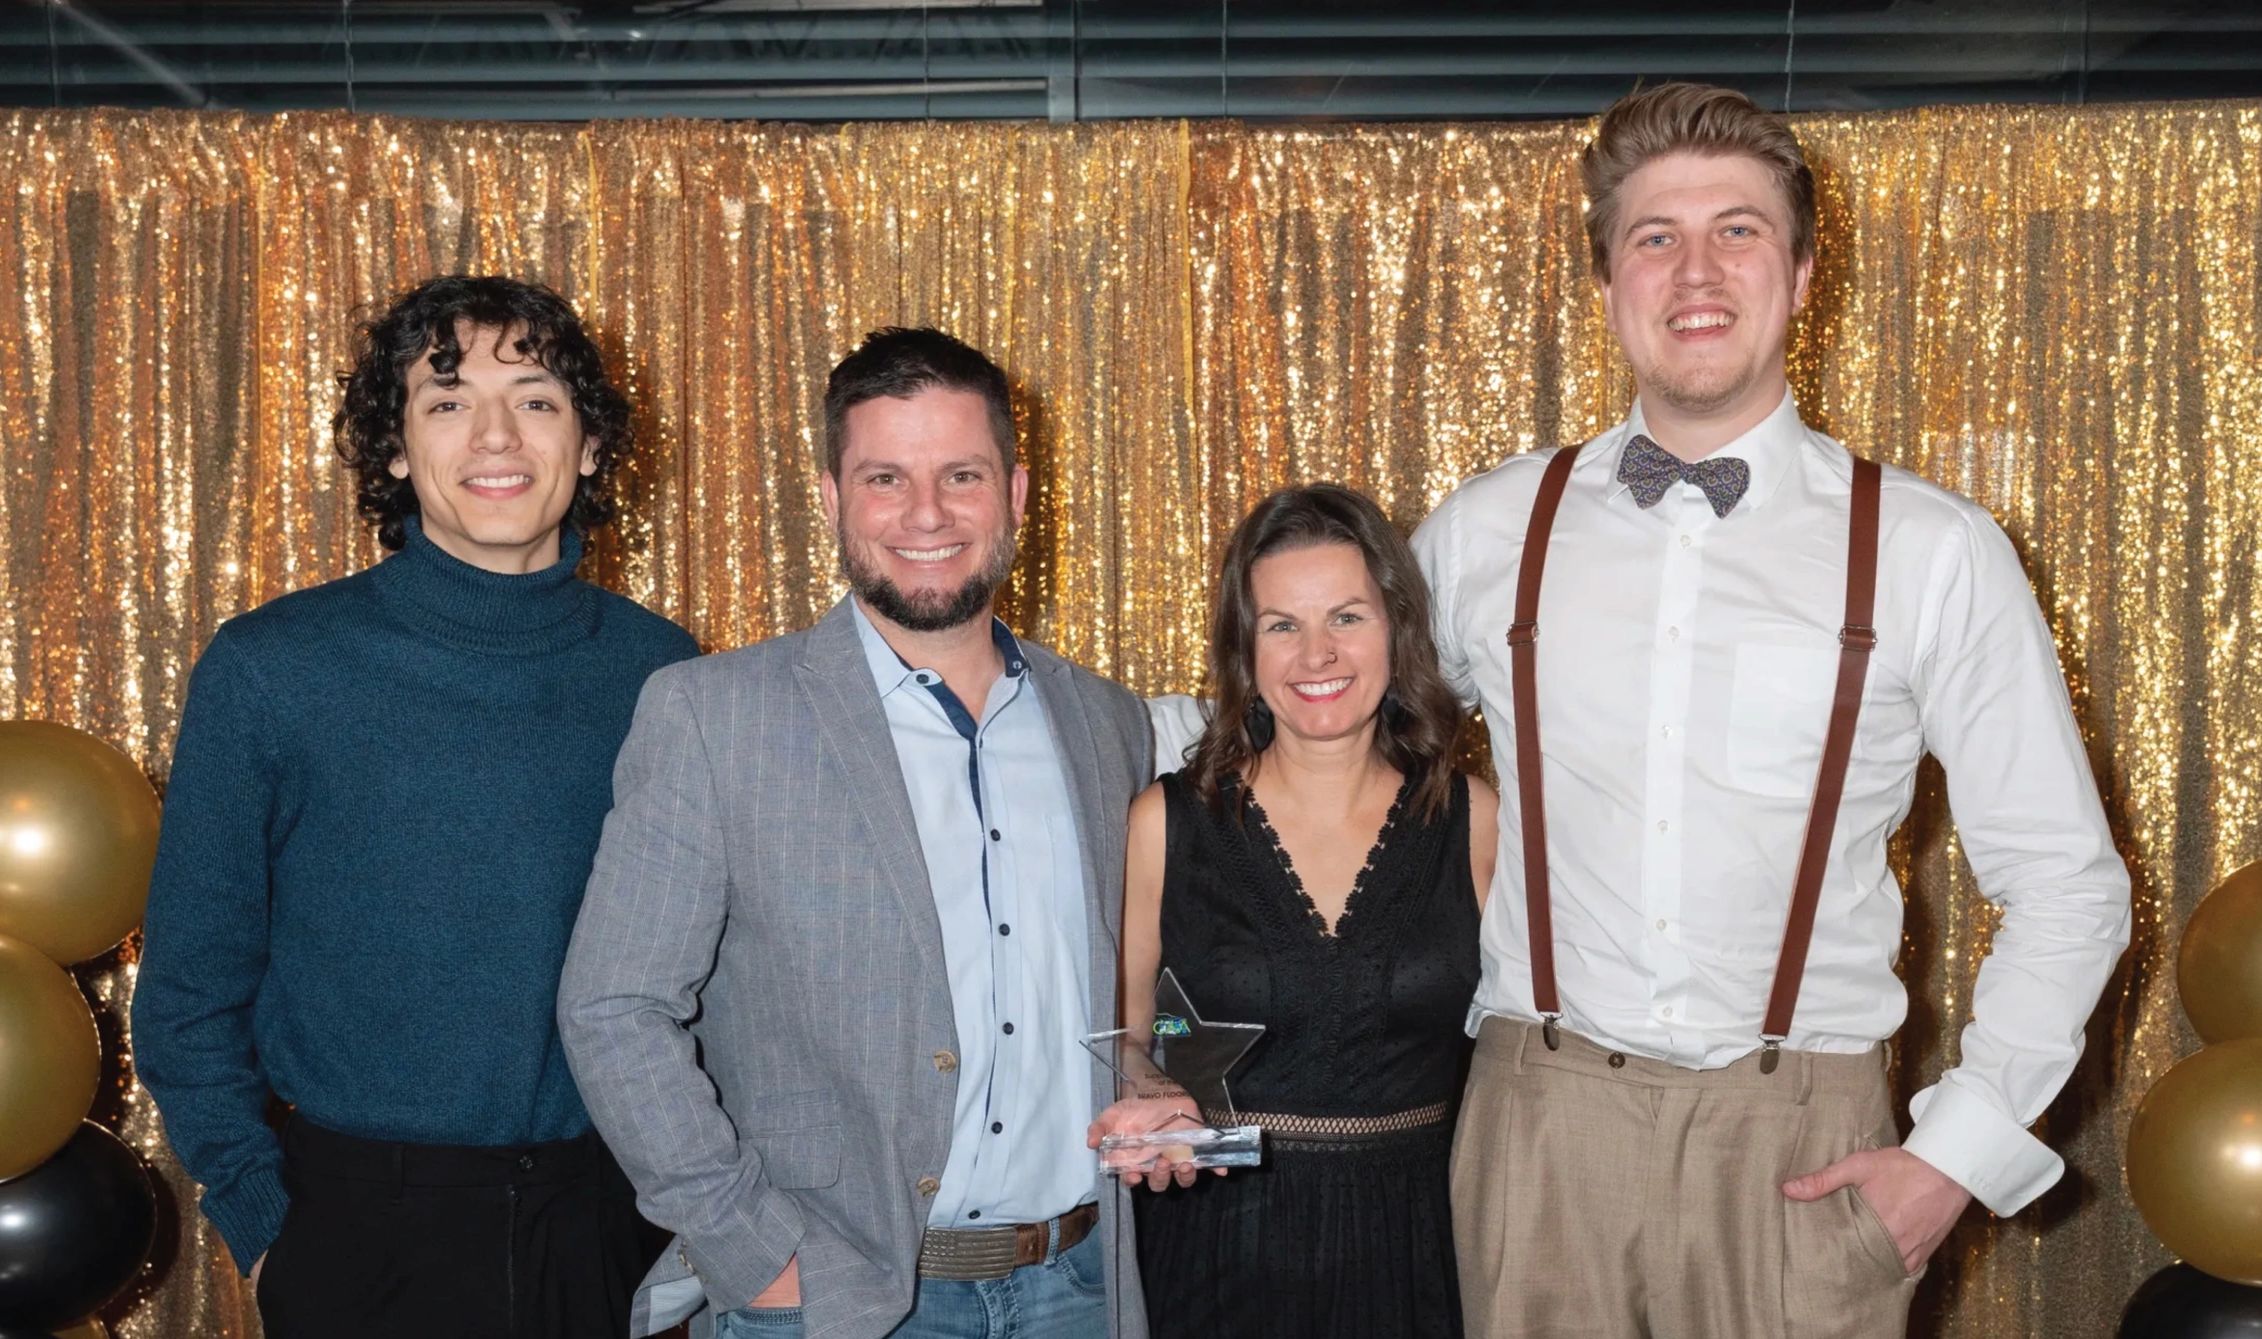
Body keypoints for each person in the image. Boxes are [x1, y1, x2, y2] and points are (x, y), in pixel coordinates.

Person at [1414, 82, 2132, 1338]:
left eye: (1738, 230)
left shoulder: (1932, 548)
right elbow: (1310, 733)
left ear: (1802, 275)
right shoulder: (1487, 531)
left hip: (1807, 1147)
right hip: (1542, 1127)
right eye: (1654, 235)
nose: (1696, 268)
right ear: (1606, 285)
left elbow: (2072, 884)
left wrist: (1952, 1157)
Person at [558, 326, 1154, 1339]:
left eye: (961, 474)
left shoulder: (1108, 723)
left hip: (1083, 1287)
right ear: (834, 500)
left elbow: (1140, 1001)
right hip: (840, 1302)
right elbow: (613, 1008)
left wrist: (1163, 1081)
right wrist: (759, 1253)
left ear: (1014, 493)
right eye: (886, 477)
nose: (927, 513)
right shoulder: (715, 715)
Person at [131, 275, 699, 1339]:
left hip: (611, 1220)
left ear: (586, 444)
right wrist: (265, 1222)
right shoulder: (272, 670)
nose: (495, 434)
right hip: (360, 1232)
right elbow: (188, 994)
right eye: (446, 401)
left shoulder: (663, 673)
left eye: (535, 398)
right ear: (394, 450)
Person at [1093, 483, 1498, 1338]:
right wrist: (1154, 1090)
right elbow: (1131, 1034)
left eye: (1346, 617)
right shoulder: (1163, 822)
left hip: (1417, 1255)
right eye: (1283, 624)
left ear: (1396, 628)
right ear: (1246, 649)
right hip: (1212, 1254)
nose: (1318, 654)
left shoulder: (1473, 819)